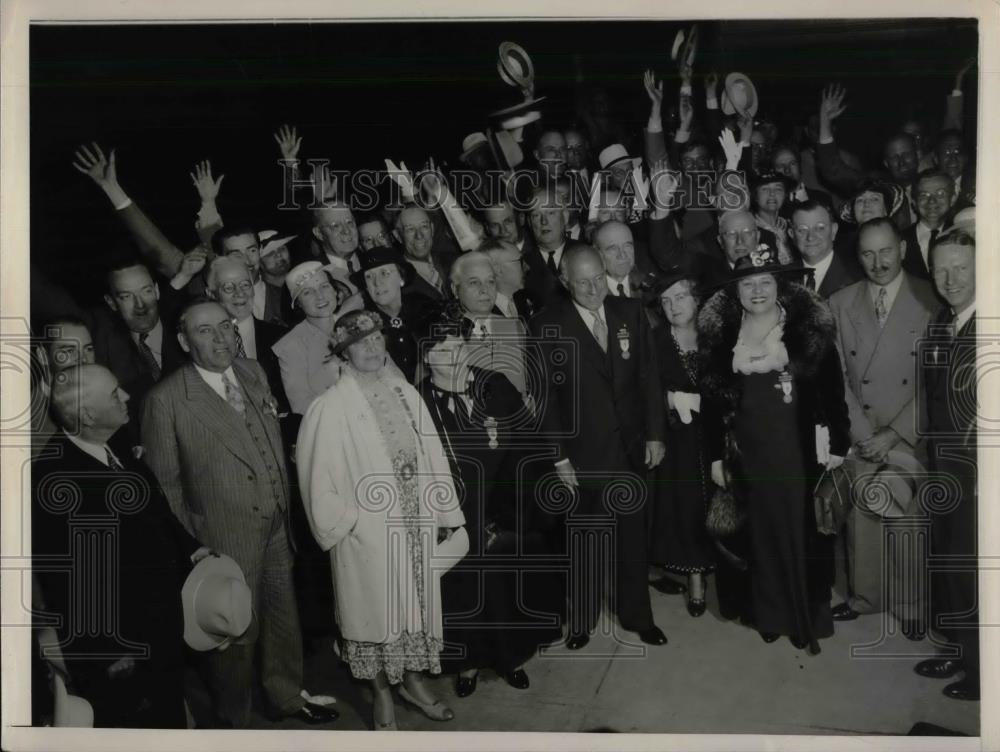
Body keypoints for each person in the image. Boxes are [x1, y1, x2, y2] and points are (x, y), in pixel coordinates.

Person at [141, 299, 337, 727]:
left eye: (225, 326)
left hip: (275, 524)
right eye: (204, 330)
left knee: (284, 618)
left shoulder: (252, 371)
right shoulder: (167, 400)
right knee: (235, 636)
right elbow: (166, 487)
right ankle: (234, 721)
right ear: (183, 340)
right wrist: (194, 546)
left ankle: (286, 694)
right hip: (222, 536)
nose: (220, 337)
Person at [296, 309, 466, 730]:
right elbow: (317, 481)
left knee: (416, 610)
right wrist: (353, 522)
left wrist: (444, 512)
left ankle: (413, 682)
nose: (371, 348)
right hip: (367, 537)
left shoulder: (406, 392)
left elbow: (433, 455)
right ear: (343, 351)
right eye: (360, 342)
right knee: (371, 616)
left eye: (376, 339)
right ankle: (381, 695)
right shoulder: (329, 407)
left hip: (417, 524)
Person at [33, 364, 210, 727]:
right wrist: (108, 653)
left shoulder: (115, 442)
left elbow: (157, 510)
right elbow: (67, 583)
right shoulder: (55, 482)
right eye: (115, 394)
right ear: (87, 414)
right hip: (120, 647)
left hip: (159, 625)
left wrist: (191, 548)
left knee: (169, 716)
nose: (127, 396)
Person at [698, 246, 850, 654]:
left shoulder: (804, 332)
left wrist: (839, 442)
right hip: (747, 455)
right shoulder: (723, 339)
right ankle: (768, 614)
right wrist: (715, 458)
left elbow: (833, 392)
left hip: (797, 450)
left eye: (766, 281)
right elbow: (712, 407)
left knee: (800, 535)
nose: (758, 290)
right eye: (748, 283)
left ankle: (804, 617)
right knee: (759, 537)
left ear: (779, 286)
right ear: (735, 290)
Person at [529, 244, 668, 649]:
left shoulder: (630, 312)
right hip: (582, 455)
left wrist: (656, 434)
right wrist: (559, 458)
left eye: (598, 279)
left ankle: (638, 616)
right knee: (586, 541)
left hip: (631, 448)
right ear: (564, 281)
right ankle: (583, 621)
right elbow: (545, 400)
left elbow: (648, 377)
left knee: (632, 539)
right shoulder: (547, 324)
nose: (593, 289)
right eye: (582, 282)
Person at [418, 306, 559, 698]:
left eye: (459, 345)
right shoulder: (419, 403)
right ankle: (468, 664)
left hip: (504, 512)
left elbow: (528, 451)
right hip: (455, 519)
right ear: (427, 358)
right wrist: (451, 520)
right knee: (464, 596)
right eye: (442, 351)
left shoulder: (497, 385)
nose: (455, 356)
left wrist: (506, 515)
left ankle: (512, 657)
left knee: (505, 590)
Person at [827, 218, 938, 637]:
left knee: (906, 519)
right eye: (868, 253)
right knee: (864, 519)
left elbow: (935, 382)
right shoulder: (841, 302)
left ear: (904, 248)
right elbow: (835, 375)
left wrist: (895, 433)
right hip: (863, 432)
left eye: (886, 250)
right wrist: (861, 434)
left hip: (908, 430)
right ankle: (867, 598)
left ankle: (911, 602)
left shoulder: (929, 298)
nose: (878, 262)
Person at [914, 229, 978, 701]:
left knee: (975, 572)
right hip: (945, 470)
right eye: (940, 269)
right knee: (951, 565)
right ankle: (962, 651)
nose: (950, 279)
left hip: (981, 478)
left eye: (960, 267)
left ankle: (982, 675)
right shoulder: (941, 321)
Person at [647, 268, 715, 615]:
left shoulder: (715, 336)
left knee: (716, 505)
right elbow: (638, 392)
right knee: (685, 506)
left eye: (681, 296)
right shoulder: (655, 341)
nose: (674, 305)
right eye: (666, 300)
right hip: (676, 441)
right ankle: (695, 579)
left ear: (697, 299)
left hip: (714, 438)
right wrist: (670, 400)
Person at [271, 261, 359, 414]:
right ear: (297, 303)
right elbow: (301, 406)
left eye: (324, 286)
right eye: (307, 292)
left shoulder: (356, 325)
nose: (319, 296)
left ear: (335, 291)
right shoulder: (291, 345)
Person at [204, 255, 288, 411]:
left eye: (245, 285)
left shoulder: (282, 337)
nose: (239, 293)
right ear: (211, 294)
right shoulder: (203, 345)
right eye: (228, 288)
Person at [350, 245, 436, 383]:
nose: (377, 282)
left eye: (384, 273)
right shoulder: (363, 324)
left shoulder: (425, 306)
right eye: (369, 277)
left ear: (401, 278)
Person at [451, 251, 529, 397]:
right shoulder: (444, 337)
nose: (484, 290)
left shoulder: (514, 327)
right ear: (455, 289)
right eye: (474, 282)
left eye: (490, 281)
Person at [789, 199, 861, 298]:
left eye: (820, 228)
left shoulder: (856, 279)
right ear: (792, 235)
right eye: (802, 229)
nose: (810, 237)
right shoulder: (782, 279)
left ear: (833, 231)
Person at [901, 170, 958, 282]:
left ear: (952, 199)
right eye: (924, 195)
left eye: (940, 194)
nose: (932, 201)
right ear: (914, 202)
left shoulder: (961, 234)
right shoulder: (900, 239)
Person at [481, 238, 541, 321]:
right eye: (520, 261)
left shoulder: (530, 298)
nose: (527, 267)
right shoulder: (481, 315)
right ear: (497, 270)